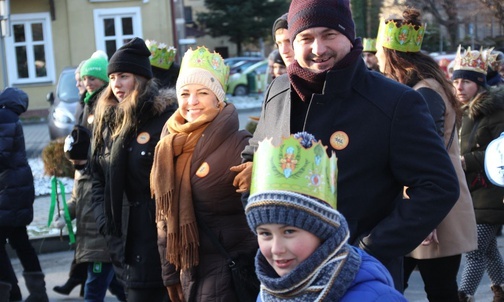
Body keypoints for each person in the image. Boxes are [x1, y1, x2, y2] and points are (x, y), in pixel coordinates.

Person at [232, 0, 460, 292]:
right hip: (285, 276)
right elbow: (253, 157)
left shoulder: (394, 102)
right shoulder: (278, 90)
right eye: (306, 38)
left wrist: (367, 248)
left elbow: (438, 185)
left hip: (358, 278)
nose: (318, 48)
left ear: (350, 37)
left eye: (329, 34)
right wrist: (266, 231)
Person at [374, 9, 477, 301]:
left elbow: (427, 159)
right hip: (427, 207)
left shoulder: (423, 93)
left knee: (431, 290)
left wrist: (425, 218)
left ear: (391, 55)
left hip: (430, 210)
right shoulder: (426, 86)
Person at [151, 46, 258, 302]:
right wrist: (169, 274)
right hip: (188, 272)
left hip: (228, 273)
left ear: (218, 98)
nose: (192, 102)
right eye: (185, 93)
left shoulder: (240, 144)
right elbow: (163, 220)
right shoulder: (168, 144)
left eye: (202, 93)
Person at [245, 132, 407, 301]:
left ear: (323, 231)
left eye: (289, 231)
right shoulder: (268, 293)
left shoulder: (378, 297)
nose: (276, 249)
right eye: (265, 233)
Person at [91, 37, 177, 302]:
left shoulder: (165, 118)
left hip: (160, 240)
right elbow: (96, 179)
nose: (116, 84)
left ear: (140, 78)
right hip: (124, 244)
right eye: (113, 77)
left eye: (124, 76)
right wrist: (107, 223)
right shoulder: (108, 122)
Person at [55, 50, 127, 302]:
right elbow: (80, 199)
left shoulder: (104, 105)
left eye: (92, 79)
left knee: (97, 287)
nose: (86, 83)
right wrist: (66, 215)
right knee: (114, 284)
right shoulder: (87, 103)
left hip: (100, 240)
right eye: (84, 79)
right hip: (94, 238)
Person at [452, 45, 504, 302]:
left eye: (466, 82)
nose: (459, 87)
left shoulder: (495, 111)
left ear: (479, 84)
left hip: (491, 190)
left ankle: (464, 296)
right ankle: (502, 288)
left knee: (473, 249)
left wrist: (466, 160)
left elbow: (501, 150)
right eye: (456, 81)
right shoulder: (459, 111)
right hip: (470, 189)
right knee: (488, 249)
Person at [0, 87, 49, 302]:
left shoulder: (4, 117)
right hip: (16, 189)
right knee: (21, 241)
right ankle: (38, 293)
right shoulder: (11, 118)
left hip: (8, 191)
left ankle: (11, 293)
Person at [52, 59, 89, 298]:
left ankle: (83, 282)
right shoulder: (82, 103)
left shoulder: (93, 105)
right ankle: (80, 280)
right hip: (82, 169)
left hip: (89, 170)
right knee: (87, 239)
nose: (79, 85)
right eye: (78, 81)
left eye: (82, 80)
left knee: (92, 242)